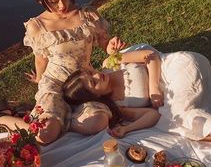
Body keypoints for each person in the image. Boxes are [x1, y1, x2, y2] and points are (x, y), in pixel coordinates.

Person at [0, 0, 126, 144]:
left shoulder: (87, 14)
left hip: (84, 84)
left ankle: (63, 119)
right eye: (54, 1)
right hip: (55, 83)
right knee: (45, 136)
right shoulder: (38, 26)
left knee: (98, 122)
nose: (62, 5)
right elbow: (41, 58)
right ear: (40, 0)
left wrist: (111, 46)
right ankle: (0, 117)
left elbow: (106, 45)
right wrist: (40, 82)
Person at [63, 47, 211, 141]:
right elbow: (152, 115)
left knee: (176, 116)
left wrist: (153, 87)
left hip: (178, 66)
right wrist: (127, 129)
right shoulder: (118, 105)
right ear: (94, 97)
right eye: (93, 83)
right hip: (175, 91)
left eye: (91, 72)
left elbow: (150, 56)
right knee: (175, 119)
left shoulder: (108, 64)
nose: (97, 76)